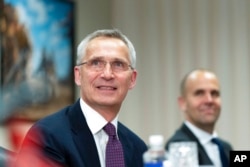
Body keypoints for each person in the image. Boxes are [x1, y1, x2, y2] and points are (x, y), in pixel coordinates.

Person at [13, 29, 147, 167]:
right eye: (96, 63)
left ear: (132, 79)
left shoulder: (139, 149)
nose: (107, 74)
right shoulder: (46, 136)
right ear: (78, 75)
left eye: (118, 64)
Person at [165, 69, 233, 167]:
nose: (209, 100)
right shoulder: (179, 148)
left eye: (214, 93)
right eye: (199, 93)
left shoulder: (226, 147)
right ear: (182, 103)